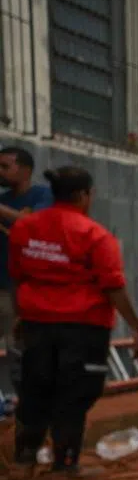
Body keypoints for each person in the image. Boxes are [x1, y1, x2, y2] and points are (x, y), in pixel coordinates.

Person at [8, 166, 138, 477]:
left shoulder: (25, 228)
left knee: (35, 387)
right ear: (84, 195)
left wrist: (20, 314)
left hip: (37, 324)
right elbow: (113, 287)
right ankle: (65, 462)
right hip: (84, 328)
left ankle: (24, 458)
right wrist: (136, 325)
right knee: (76, 392)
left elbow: (18, 278)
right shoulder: (95, 236)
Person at [0, 146, 54, 388]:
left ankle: (27, 406)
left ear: (25, 170)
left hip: (27, 288)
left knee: (19, 347)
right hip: (3, 284)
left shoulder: (44, 196)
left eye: (4, 167)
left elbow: (32, 222)